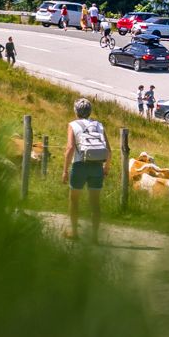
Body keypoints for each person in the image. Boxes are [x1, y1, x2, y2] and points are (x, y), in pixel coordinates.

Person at [62, 98, 110, 242]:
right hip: (97, 167)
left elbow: (70, 148)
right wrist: (106, 167)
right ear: (90, 111)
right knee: (95, 203)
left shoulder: (72, 125)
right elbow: (108, 149)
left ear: (75, 111)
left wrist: (65, 170)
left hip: (79, 165)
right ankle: (94, 237)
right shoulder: (99, 125)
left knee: (74, 200)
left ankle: (74, 232)